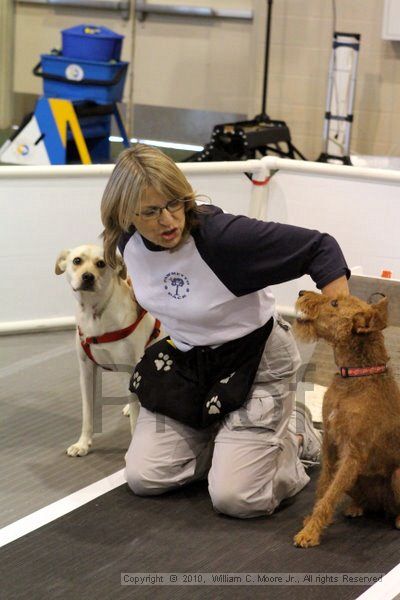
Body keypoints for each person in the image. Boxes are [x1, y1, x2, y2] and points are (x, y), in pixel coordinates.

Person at [100, 143, 350, 519]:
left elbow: (320, 247)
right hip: (188, 363)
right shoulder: (127, 240)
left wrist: (342, 323)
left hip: (256, 361)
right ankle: (233, 443)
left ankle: (296, 436)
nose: (168, 221)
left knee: (238, 498)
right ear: (126, 214)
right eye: (151, 212)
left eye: (174, 204)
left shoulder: (223, 238)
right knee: (145, 477)